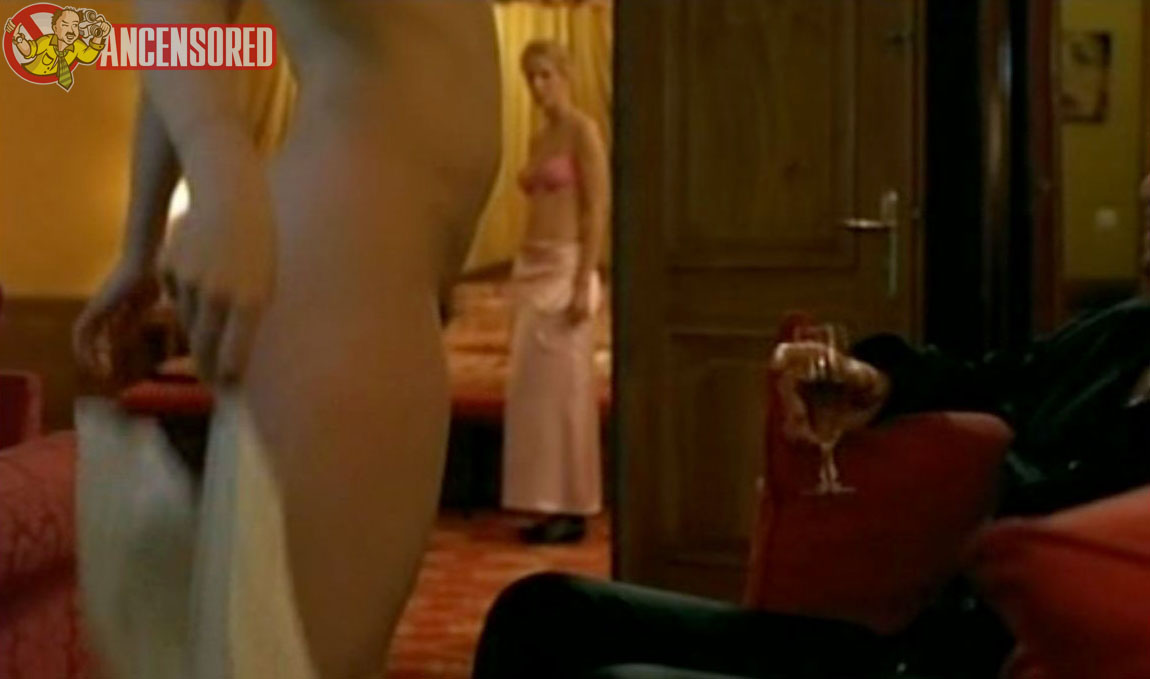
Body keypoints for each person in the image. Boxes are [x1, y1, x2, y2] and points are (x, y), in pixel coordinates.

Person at [472, 195, 1150, 678]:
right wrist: (870, 381)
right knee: (544, 612)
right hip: (904, 650)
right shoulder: (1122, 335)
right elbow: (984, 378)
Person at [71, 1, 500, 677]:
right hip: (343, 249)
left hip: (364, 249)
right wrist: (218, 173)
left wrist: (141, 243)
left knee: (302, 654)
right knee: (297, 660)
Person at [502, 40, 610, 544]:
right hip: (532, 266)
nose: (538, 86)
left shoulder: (583, 131)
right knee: (533, 397)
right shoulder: (538, 138)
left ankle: (573, 506)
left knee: (567, 394)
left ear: (565, 75)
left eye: (546, 75)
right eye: (531, 77)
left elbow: (596, 209)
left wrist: (583, 280)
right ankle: (541, 503)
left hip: (566, 267)